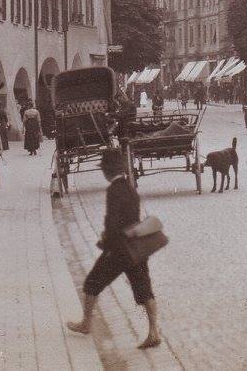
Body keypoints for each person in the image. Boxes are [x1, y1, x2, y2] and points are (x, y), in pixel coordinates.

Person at [67, 147, 161, 350]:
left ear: (108, 171)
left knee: (92, 283)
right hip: (136, 248)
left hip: (117, 250)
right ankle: (154, 331)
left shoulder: (113, 190)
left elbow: (112, 223)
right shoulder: (130, 188)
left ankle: (86, 323)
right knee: (144, 289)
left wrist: (106, 242)